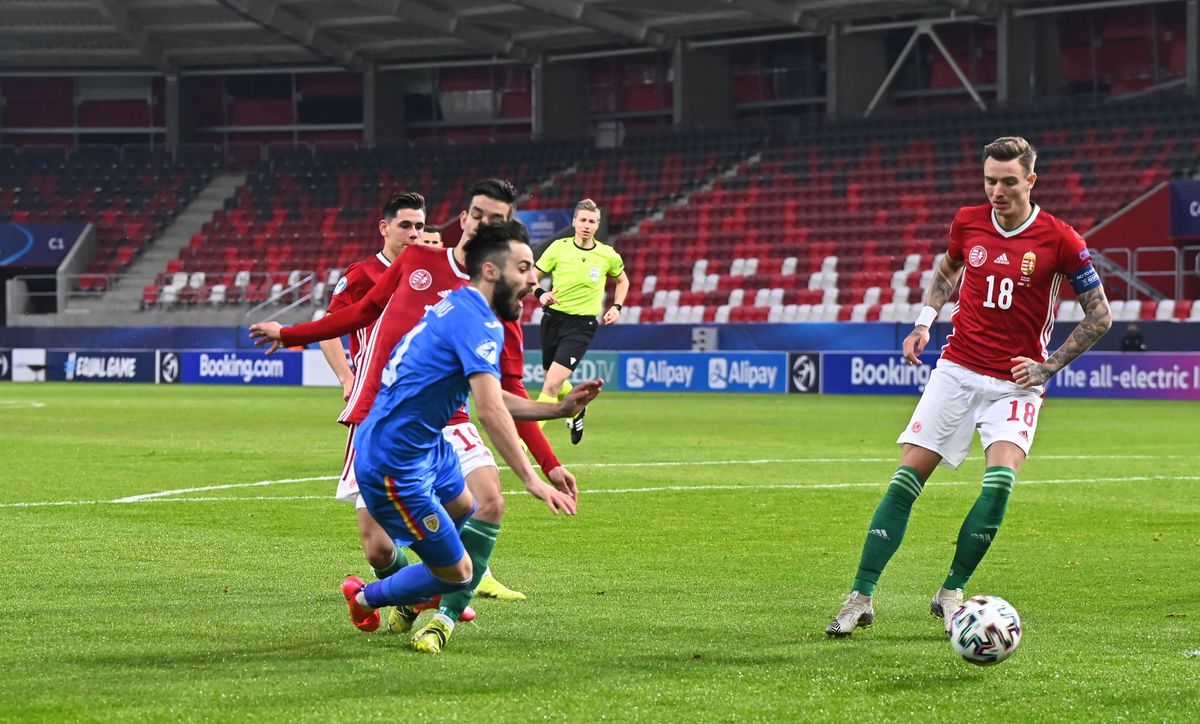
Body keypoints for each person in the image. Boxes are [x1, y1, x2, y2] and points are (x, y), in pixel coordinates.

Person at [251, 181, 580, 652]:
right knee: (382, 547)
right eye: (477, 215)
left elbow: (502, 395)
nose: (536, 281)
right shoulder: (429, 269)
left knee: (483, 504)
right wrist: (292, 333)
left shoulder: (497, 308)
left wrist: (552, 447)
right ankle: (407, 593)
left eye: (495, 220)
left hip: (443, 425)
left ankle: (443, 610)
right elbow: (362, 312)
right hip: (387, 424)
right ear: (464, 219)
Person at [826, 136, 1113, 638]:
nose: (996, 191)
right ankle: (860, 596)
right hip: (955, 370)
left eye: (1007, 182)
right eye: (989, 181)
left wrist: (1048, 367)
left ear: (1030, 181)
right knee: (904, 481)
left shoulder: (1061, 239)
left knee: (999, 486)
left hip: (1014, 384)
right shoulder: (968, 221)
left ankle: (952, 590)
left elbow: (1101, 316)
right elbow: (947, 271)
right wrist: (924, 320)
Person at [330, 222, 600, 643]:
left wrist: (559, 408)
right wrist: (531, 478)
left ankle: (427, 587)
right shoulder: (476, 322)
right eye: (525, 268)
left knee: (475, 508)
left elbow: (491, 397)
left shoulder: (462, 307)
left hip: (429, 447)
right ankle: (365, 598)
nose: (535, 279)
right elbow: (490, 411)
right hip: (393, 461)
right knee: (459, 573)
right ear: (491, 271)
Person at [315, 193, 437, 608]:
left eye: (420, 226)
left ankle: (450, 592)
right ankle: (411, 595)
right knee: (377, 548)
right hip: (373, 413)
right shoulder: (364, 274)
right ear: (384, 228)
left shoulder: (433, 273)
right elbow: (328, 327)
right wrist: (346, 375)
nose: (415, 233)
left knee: (459, 508)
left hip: (428, 413)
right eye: (406, 225)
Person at [533, 198, 630, 444]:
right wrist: (540, 294)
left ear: (598, 225)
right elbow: (533, 276)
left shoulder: (607, 254)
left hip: (581, 326)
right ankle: (578, 407)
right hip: (553, 320)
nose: (587, 225)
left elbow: (622, 281)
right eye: (583, 220)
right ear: (574, 222)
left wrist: (617, 307)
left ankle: (526, 442)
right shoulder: (558, 247)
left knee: (552, 385)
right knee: (550, 378)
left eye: (593, 221)